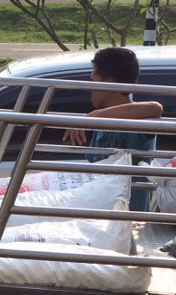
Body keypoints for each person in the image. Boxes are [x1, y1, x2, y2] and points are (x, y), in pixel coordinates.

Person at [62, 46, 164, 211]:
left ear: (109, 85)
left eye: (94, 81)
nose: (90, 88)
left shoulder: (138, 120)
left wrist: (93, 116)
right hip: (101, 211)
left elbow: (155, 108)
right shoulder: (102, 121)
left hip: (128, 217)